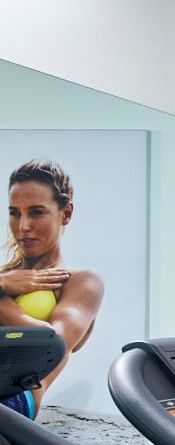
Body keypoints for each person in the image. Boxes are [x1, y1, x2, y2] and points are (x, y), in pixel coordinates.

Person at [1, 159, 104, 419]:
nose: (23, 226)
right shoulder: (4, 277)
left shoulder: (81, 282)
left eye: (36, 212)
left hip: (14, 399)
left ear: (66, 213)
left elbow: (51, 344)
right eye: (15, 213)